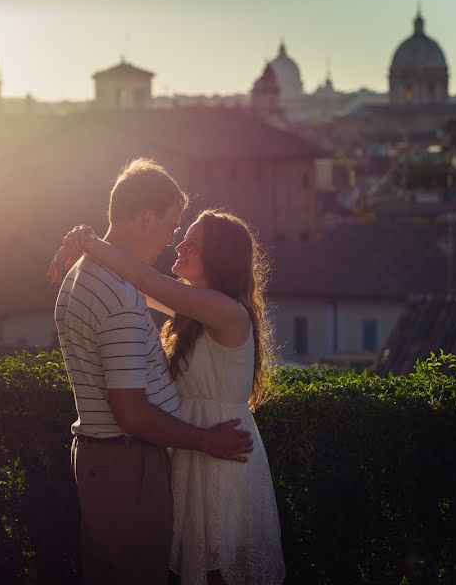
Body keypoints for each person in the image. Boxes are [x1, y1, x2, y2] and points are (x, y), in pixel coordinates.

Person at [52, 209, 286, 585]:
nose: (180, 246)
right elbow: (137, 282)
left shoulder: (227, 312)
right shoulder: (193, 309)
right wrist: (85, 244)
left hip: (222, 450)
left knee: (218, 571)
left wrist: (89, 242)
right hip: (194, 446)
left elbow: (143, 279)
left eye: (193, 244)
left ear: (219, 258)